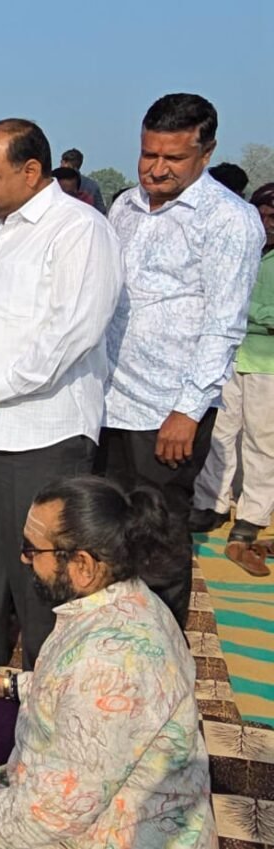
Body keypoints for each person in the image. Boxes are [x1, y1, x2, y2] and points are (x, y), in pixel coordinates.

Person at [0, 476, 215, 849]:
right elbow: (80, 699)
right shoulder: (126, 601)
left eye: (31, 548)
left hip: (110, 833)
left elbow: (51, 818)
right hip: (90, 810)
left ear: (83, 565)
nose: (23, 559)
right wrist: (6, 685)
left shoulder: (107, 663)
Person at [0, 120, 122, 670]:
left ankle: (45, 664)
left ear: (31, 171)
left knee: (44, 555)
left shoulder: (78, 230)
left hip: (41, 428)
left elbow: (72, 333)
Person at [97, 93, 265, 626]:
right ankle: (112, 634)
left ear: (206, 153)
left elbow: (224, 324)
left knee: (159, 536)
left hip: (167, 409)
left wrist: (188, 411)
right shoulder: (124, 206)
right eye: (148, 154)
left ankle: (162, 644)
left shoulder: (229, 220)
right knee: (108, 528)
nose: (156, 168)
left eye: (173, 158)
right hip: (108, 399)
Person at [191, 183, 274, 576]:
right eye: (262, 214)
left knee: (262, 439)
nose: (267, 223)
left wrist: (242, 311)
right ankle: (212, 502)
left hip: (266, 363)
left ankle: (253, 514)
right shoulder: (241, 249)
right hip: (227, 356)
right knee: (220, 434)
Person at [59, 147, 107, 213]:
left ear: (65, 163)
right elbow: (101, 212)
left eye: (61, 162)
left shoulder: (57, 183)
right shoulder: (93, 186)